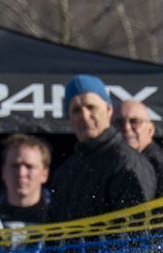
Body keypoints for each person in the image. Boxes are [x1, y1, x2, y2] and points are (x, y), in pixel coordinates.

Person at [47, 75, 156, 222]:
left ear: (108, 109)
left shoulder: (126, 163)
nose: (85, 116)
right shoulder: (65, 173)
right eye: (76, 110)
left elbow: (137, 231)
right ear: (69, 117)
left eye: (91, 107)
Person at [112, 97, 163, 200]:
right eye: (119, 122)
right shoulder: (109, 165)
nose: (126, 128)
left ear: (150, 129)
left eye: (135, 121)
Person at [0, 133, 52, 227]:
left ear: (44, 174)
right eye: (15, 166)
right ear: (3, 171)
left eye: (29, 166)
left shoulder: (60, 218)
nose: (21, 173)